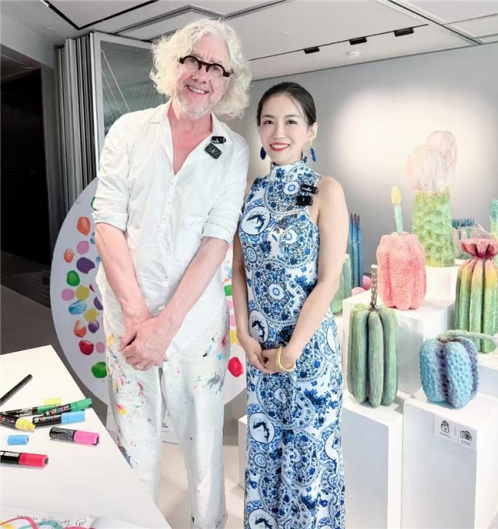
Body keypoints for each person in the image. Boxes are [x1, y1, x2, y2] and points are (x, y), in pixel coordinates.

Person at [92, 19, 251, 529]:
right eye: (194, 61)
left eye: (216, 68)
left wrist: (166, 325)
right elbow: (107, 222)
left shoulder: (233, 150)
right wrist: (141, 319)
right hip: (129, 323)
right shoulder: (128, 130)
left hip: (194, 327)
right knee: (134, 445)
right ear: (174, 64)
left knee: (203, 449)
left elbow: (216, 241)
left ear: (227, 82)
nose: (202, 75)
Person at [232, 82, 349, 528]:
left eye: (291, 121)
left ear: (311, 130)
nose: (278, 132)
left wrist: (292, 350)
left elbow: (329, 279)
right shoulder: (250, 190)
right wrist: (244, 335)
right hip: (262, 356)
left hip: (308, 355)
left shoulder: (326, 190)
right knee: (267, 461)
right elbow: (238, 271)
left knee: (308, 468)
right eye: (268, 121)